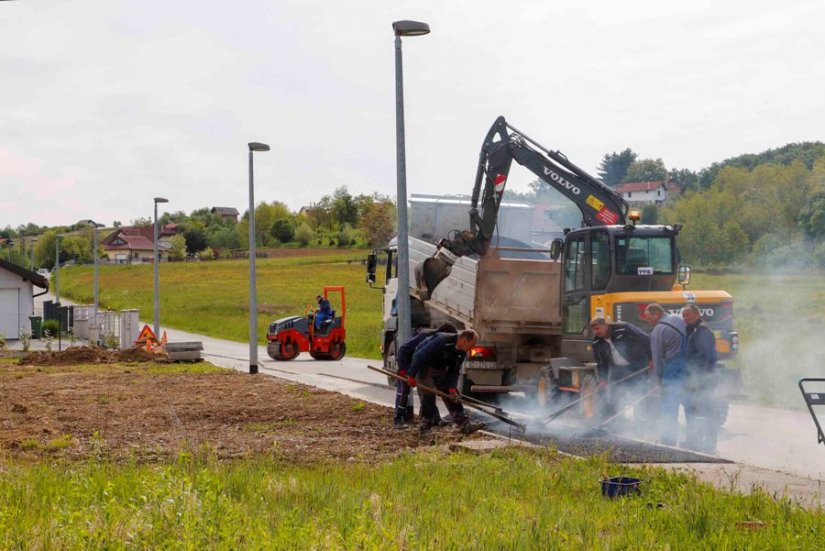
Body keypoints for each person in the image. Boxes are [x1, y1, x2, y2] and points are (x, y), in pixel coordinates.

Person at [407, 329, 485, 435]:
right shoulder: (442, 340)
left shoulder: (461, 353)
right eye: (472, 345)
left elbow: (454, 371)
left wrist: (452, 388)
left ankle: (464, 424)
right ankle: (425, 427)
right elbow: (419, 356)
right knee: (429, 395)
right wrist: (411, 375)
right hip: (424, 366)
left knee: (453, 395)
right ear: (464, 340)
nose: (472, 348)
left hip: (440, 369)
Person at [393, 324, 457, 429]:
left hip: (419, 366)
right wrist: (405, 370)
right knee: (403, 392)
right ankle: (398, 419)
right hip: (407, 364)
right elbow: (403, 350)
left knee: (428, 393)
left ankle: (436, 418)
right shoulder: (425, 336)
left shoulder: (441, 343)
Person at [590, 317, 652, 426]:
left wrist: (651, 359)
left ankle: (641, 424)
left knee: (639, 395)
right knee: (615, 397)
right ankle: (617, 424)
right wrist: (603, 379)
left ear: (605, 325)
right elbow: (601, 363)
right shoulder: (597, 342)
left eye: (598, 328)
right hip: (618, 370)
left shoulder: (624, 328)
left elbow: (645, 339)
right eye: (594, 330)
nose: (596, 332)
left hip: (636, 367)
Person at [644, 303, 687, 446]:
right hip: (689, 367)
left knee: (669, 406)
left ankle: (669, 440)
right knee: (691, 403)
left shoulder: (658, 330)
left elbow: (657, 359)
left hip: (672, 369)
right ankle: (694, 440)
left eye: (649, 318)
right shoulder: (678, 318)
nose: (648, 321)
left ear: (656, 314)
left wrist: (659, 381)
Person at [682, 304, 720, 453]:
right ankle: (694, 441)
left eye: (688, 315)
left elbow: (704, 356)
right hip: (698, 376)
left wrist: (698, 379)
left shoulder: (701, 331)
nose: (686, 318)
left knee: (706, 410)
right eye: (684, 316)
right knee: (694, 409)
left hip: (704, 377)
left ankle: (709, 445)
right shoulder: (694, 330)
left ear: (697, 314)